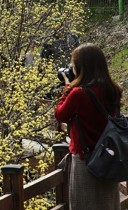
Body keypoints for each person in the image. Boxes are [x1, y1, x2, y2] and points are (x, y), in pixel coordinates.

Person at [54, 43, 122, 210]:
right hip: (108, 159)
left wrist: (67, 87)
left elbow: (60, 114)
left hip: (86, 162)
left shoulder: (78, 93)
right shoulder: (112, 89)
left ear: (80, 66)